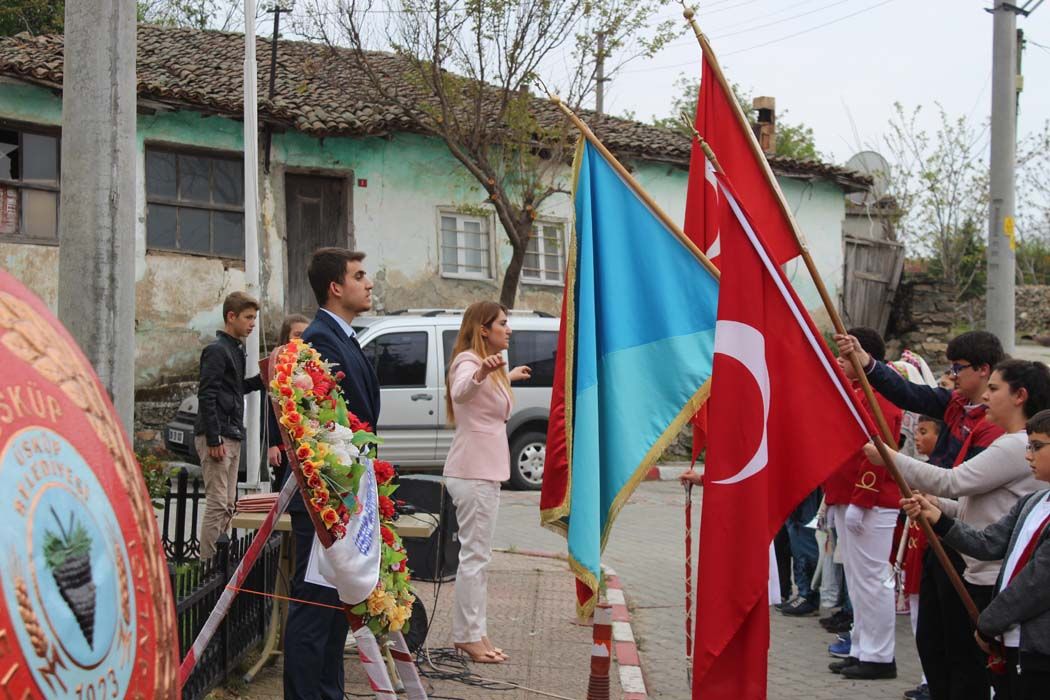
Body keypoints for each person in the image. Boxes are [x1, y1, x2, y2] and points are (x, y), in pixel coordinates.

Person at [863, 358, 1049, 699]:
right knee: (943, 657)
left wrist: (891, 458)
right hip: (979, 571)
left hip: (995, 587)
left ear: (1020, 395)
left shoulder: (1013, 444)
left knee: (965, 672)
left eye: (994, 389)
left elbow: (953, 482)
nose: (986, 396)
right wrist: (938, 512)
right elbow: (980, 522)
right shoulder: (1022, 474)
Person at [836, 330, 1005, 700]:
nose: (953, 375)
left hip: (966, 542)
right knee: (931, 637)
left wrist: (895, 461)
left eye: (958, 368)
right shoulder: (957, 404)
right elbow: (910, 394)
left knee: (962, 650)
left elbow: (956, 482)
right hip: (937, 527)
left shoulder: (998, 433)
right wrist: (867, 363)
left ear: (984, 370)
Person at [283, 248, 381, 700]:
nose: (369, 283)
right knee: (313, 609)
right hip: (326, 501)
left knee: (332, 610)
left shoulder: (345, 336)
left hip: (345, 499)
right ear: (335, 287)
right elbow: (331, 425)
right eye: (359, 276)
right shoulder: (321, 340)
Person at [901, 406, 1050, 700]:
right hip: (1014, 640)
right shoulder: (1034, 501)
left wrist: (988, 624)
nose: (1028, 455)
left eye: (1037, 446)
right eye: (1028, 445)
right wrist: (939, 518)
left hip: (1038, 647)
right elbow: (987, 543)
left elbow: (1036, 585)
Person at [443, 301, 530, 664]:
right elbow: (462, 390)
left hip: (482, 470)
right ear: (484, 328)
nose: (508, 329)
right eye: (503, 324)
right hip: (473, 471)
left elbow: (481, 400)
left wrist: (506, 377)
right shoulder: (469, 361)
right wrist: (481, 373)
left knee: (478, 557)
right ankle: (468, 635)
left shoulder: (494, 364)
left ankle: (475, 631)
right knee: (475, 558)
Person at [825, 327, 903, 680]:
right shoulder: (856, 392)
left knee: (873, 581)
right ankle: (861, 647)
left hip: (871, 501)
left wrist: (862, 499)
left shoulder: (879, 399)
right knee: (857, 583)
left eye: (844, 356)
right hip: (846, 497)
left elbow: (880, 452)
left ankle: (880, 655)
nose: (839, 362)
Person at [194, 291, 265, 560]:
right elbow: (207, 394)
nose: (252, 323)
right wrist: (214, 438)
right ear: (231, 317)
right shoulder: (216, 350)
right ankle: (209, 563)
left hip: (231, 433)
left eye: (254, 318)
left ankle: (218, 558)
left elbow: (235, 389)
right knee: (218, 502)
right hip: (219, 435)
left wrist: (261, 379)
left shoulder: (235, 349)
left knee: (228, 503)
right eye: (248, 317)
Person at [901, 415, 942, 700]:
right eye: (916, 431)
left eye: (924, 432)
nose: (917, 438)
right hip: (917, 552)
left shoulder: (941, 475)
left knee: (932, 624)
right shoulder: (925, 470)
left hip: (932, 548)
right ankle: (927, 676)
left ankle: (932, 678)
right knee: (920, 619)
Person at [266, 313, 310, 489]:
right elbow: (269, 407)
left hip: (305, 441)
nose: (301, 340)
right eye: (297, 335)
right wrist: (272, 444)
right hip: (283, 444)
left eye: (304, 336)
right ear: (286, 337)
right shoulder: (276, 365)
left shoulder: (308, 363)